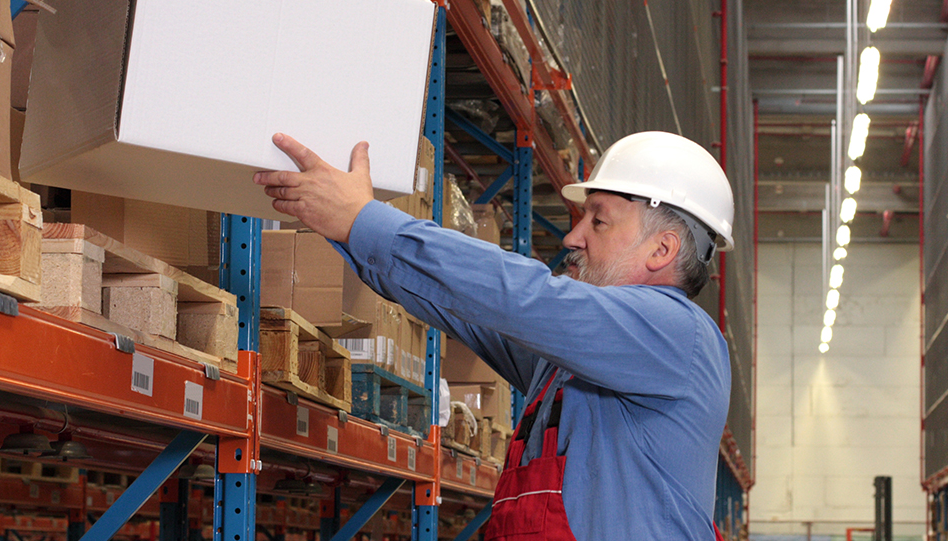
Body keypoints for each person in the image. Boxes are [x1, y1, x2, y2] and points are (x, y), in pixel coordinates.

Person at [254, 130, 735, 540]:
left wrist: (366, 221)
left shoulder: (679, 335)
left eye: (599, 219)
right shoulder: (569, 360)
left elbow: (522, 296)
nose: (574, 237)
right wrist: (345, 228)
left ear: (662, 249)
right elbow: (465, 307)